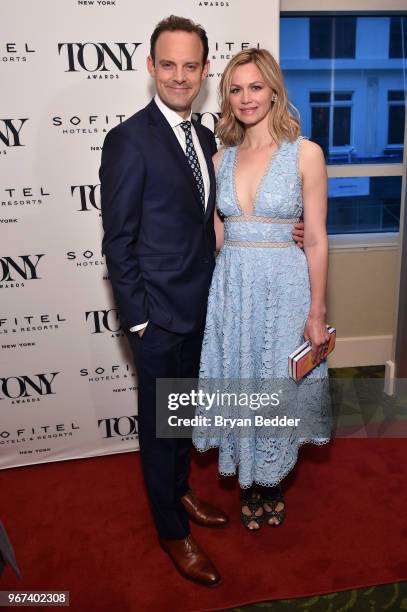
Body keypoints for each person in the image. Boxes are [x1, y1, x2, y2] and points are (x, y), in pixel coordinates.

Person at [101, 17, 304, 583]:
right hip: (159, 319)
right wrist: (138, 320)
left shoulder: (210, 139)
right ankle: (171, 531)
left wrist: (279, 231)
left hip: (209, 310)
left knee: (184, 421)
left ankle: (183, 493)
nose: (180, 75)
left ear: (205, 70)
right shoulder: (128, 140)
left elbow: (221, 220)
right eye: (169, 64)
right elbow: (117, 241)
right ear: (150, 67)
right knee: (160, 426)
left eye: (191, 65)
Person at [193, 48, 331, 531]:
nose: (246, 98)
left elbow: (314, 236)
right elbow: (215, 235)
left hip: (285, 285)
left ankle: (268, 481)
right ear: (226, 98)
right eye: (235, 89)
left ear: (274, 89)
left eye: (255, 86)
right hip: (233, 287)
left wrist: (316, 310)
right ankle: (250, 480)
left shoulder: (305, 153)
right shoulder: (220, 157)